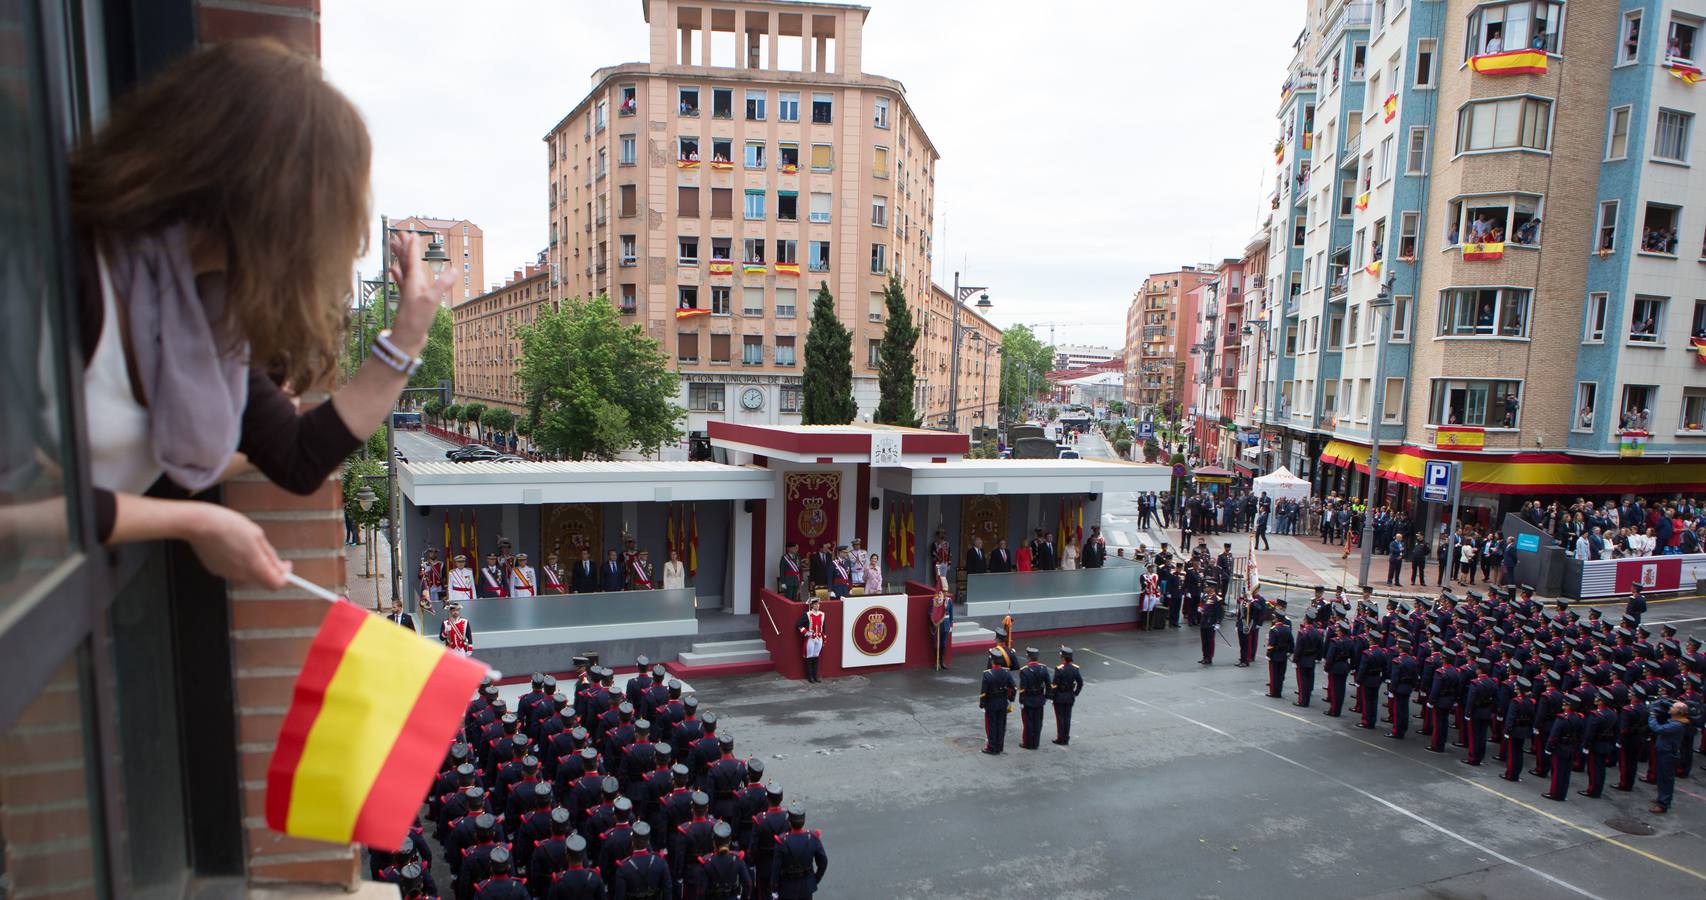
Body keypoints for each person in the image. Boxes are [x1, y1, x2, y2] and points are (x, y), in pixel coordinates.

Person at [770, 804, 828, 899]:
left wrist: (774, 889)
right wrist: (814, 879)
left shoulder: (782, 841)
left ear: (789, 822)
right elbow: (823, 863)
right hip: (806, 886)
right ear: (804, 821)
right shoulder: (813, 838)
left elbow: (776, 869)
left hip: (786, 887)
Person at [1649, 700, 1690, 813]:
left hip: (1668, 754)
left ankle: (1663, 803)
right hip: (1664, 751)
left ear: (1679, 712)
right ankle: (1661, 798)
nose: (1671, 709)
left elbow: (1657, 729)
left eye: (1673, 708)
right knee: (1661, 777)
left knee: (1666, 779)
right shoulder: (1676, 720)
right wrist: (1663, 700)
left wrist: (1652, 716)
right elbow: (1672, 707)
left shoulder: (1676, 725)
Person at [979, 648, 1017, 754]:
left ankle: (992, 747)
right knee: (1001, 725)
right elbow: (1014, 688)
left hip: (991, 703)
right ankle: (1000, 746)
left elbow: (984, 692)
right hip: (1003, 702)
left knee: (992, 725)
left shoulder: (987, 674)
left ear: (992, 661)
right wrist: (1011, 699)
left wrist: (982, 703)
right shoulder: (1007, 673)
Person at [1016, 648, 1051, 750]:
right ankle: (1036, 742)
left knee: (1028, 723)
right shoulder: (1043, 669)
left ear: (1028, 657)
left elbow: (1022, 688)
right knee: (1038, 722)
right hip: (1040, 699)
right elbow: (1048, 685)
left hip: (1028, 699)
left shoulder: (1024, 671)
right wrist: (1047, 697)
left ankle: (1028, 743)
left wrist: (1021, 701)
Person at [1051, 646, 1083, 745]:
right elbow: (1080, 682)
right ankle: (1066, 737)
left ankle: (1060, 738)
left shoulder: (1059, 669)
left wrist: (1053, 697)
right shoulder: (1075, 669)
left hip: (1060, 697)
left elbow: (1055, 684)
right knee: (1067, 718)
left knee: (1060, 718)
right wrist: (1075, 693)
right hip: (1070, 696)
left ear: (1063, 657)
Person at [796, 598, 826, 683]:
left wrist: (824, 638)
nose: (818, 605)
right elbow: (799, 625)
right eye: (816, 604)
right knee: (809, 657)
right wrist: (806, 632)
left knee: (816, 656)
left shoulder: (822, 614)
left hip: (819, 638)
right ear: (812, 605)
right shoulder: (807, 614)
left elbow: (824, 627)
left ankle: (815, 676)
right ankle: (810, 677)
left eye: (818, 604)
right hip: (811, 638)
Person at [1266, 614, 1294, 698]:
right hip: (1283, 655)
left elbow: (1271, 644)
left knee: (1274, 674)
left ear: (1277, 619)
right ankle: (1279, 691)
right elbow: (1291, 643)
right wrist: (1289, 652)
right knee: (1281, 674)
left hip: (1275, 655)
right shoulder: (1287, 629)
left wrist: (1268, 654)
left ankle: (1274, 692)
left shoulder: (1273, 630)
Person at [1198, 588, 1225, 666]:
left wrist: (1218, 622)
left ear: (1212, 589)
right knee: (1204, 640)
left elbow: (1220, 612)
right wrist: (1201, 609)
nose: (1206, 589)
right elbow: (1202, 605)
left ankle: (1209, 657)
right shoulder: (1205, 597)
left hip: (1211, 621)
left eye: (1208, 587)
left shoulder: (1217, 599)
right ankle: (1204, 656)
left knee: (1210, 641)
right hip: (1204, 621)